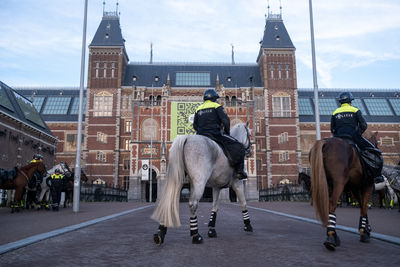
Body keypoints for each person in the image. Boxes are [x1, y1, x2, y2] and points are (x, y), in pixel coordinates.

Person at [193, 89, 247, 180]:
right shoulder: (217, 106)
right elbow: (226, 121)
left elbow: (195, 125)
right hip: (215, 134)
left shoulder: (198, 108)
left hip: (201, 135)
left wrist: (201, 131)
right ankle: (239, 171)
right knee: (239, 146)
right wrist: (226, 133)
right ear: (214, 98)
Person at [331, 92, 384, 183]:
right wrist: (357, 133)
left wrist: (337, 136)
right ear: (350, 101)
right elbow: (363, 125)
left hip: (338, 138)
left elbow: (332, 128)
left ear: (340, 102)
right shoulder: (355, 110)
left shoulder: (335, 112)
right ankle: (377, 177)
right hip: (353, 137)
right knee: (375, 151)